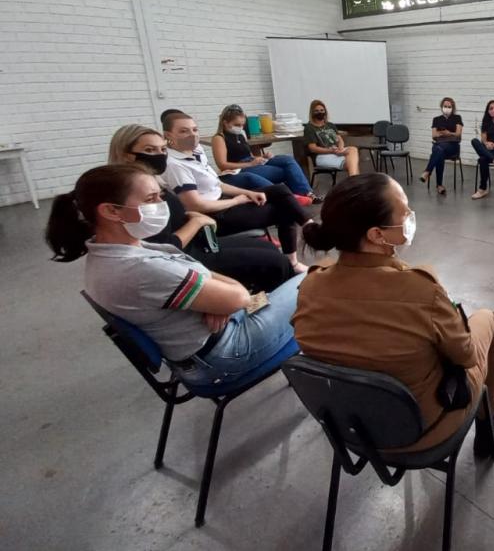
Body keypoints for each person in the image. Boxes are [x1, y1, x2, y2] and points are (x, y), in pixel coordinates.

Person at [293, 173, 494, 456]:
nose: (410, 217)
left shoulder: (310, 287)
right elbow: (466, 356)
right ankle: (490, 415)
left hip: (350, 428)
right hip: (422, 431)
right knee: (487, 318)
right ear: (376, 234)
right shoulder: (422, 291)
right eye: (405, 212)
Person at [45, 164, 305, 387]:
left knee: (267, 294)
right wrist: (223, 297)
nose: (162, 205)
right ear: (111, 211)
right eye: (151, 199)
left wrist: (218, 299)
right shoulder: (140, 267)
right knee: (311, 280)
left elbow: (207, 280)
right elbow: (238, 297)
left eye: (160, 196)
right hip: (226, 352)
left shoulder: (112, 252)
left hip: (204, 341)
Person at [108, 124, 294, 293]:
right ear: (126, 154)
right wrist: (197, 221)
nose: (159, 155)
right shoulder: (133, 193)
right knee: (277, 262)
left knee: (268, 247)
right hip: (184, 257)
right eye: (149, 150)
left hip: (199, 240)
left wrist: (190, 215)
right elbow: (163, 248)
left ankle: (275, 293)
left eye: (162, 149)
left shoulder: (155, 180)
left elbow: (181, 209)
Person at [161, 111, 311, 273]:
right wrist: (236, 200)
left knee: (279, 189)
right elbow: (195, 205)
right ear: (168, 135)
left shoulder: (196, 150)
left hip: (222, 200)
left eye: (194, 129)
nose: (192, 135)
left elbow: (217, 184)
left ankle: (309, 226)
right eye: (184, 131)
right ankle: (295, 260)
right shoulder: (174, 165)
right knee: (284, 209)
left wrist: (247, 193)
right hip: (213, 216)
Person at [210, 104, 320, 202]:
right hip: (239, 168)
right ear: (225, 123)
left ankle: (307, 193)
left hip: (251, 162)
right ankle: (290, 197)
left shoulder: (240, 135)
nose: (240, 128)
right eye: (237, 125)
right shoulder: (219, 138)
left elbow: (249, 155)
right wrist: (250, 164)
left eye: (242, 125)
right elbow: (222, 165)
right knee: (286, 171)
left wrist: (262, 157)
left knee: (288, 160)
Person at [302, 99, 361, 177]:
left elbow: (340, 140)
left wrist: (340, 149)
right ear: (312, 113)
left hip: (336, 152)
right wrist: (330, 151)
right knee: (353, 163)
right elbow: (313, 148)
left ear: (325, 111)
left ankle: (353, 180)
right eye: (316, 111)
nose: (320, 112)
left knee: (353, 150)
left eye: (322, 110)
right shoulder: (309, 128)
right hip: (322, 156)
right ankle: (355, 181)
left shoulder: (330, 125)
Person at [421, 97, 463, 195]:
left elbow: (458, 134)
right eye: (445, 106)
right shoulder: (436, 119)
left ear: (452, 108)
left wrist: (447, 133)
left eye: (449, 106)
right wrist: (449, 134)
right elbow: (434, 135)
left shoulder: (457, 118)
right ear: (441, 107)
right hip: (440, 146)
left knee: (438, 150)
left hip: (453, 147)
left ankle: (427, 172)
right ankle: (439, 185)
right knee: (439, 151)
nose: (447, 108)